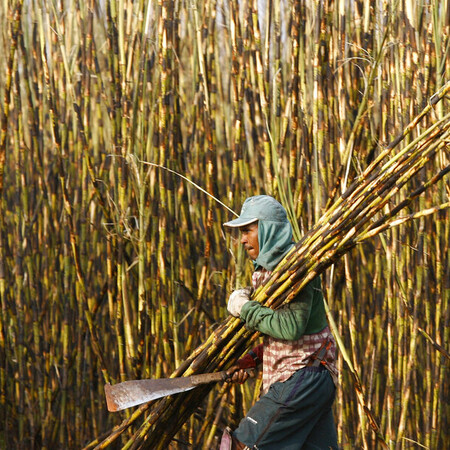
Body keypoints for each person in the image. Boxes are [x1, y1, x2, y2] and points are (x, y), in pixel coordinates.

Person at [220, 195, 338, 450]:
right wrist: (252, 358)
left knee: (240, 445)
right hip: (312, 377)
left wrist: (245, 308)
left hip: (303, 376)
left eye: (248, 230)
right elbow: (291, 338)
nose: (242, 239)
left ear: (268, 229)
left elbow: (290, 328)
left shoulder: (295, 268)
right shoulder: (270, 273)